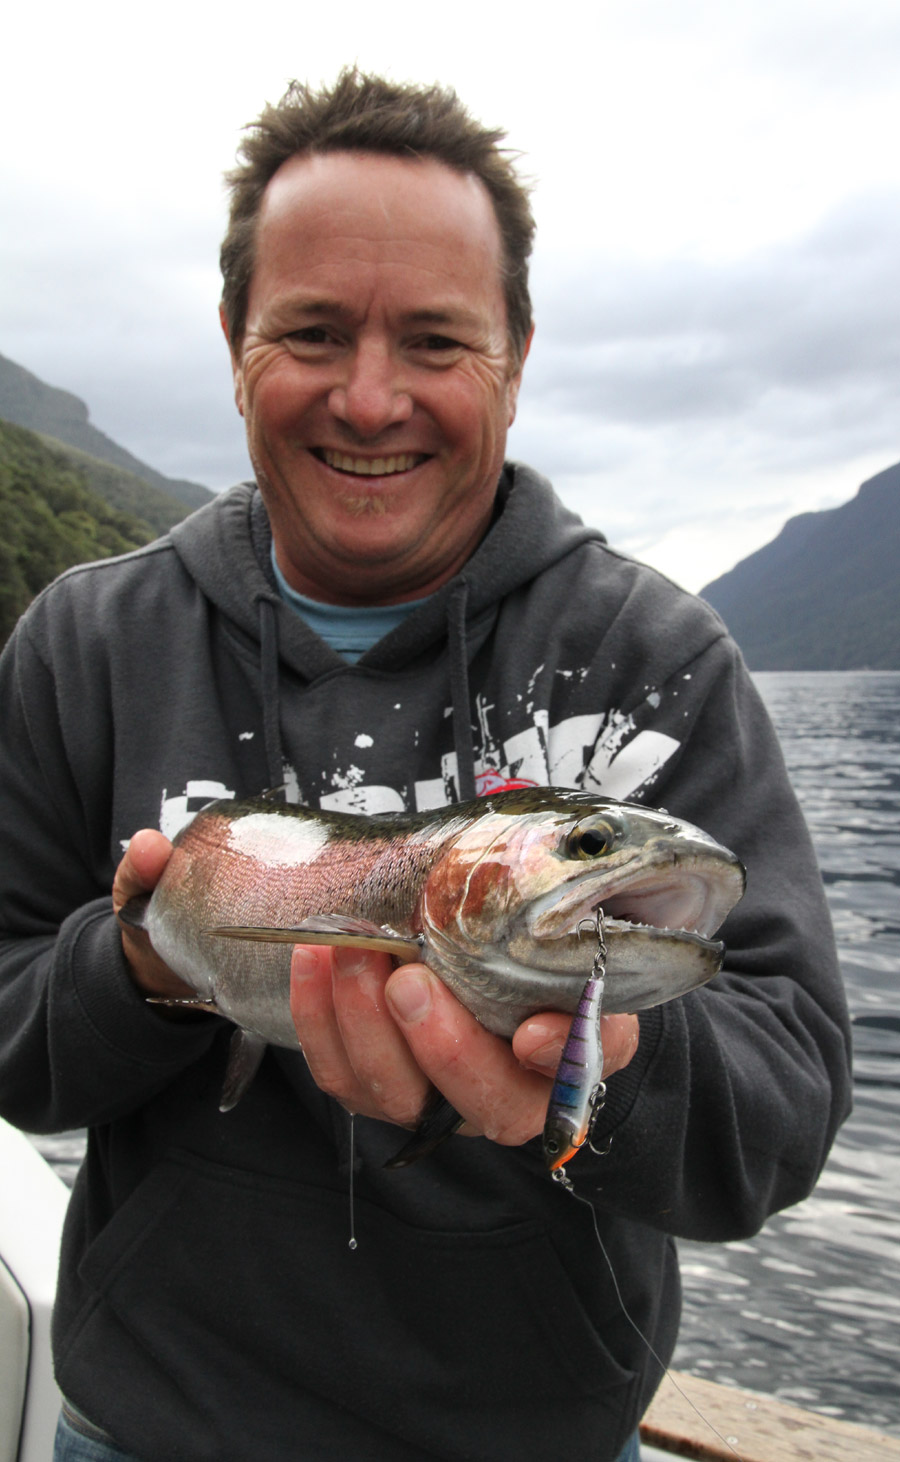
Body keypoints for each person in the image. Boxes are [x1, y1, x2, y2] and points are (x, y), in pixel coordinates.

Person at [0, 71, 851, 1462]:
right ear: (232, 342)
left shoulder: (659, 659)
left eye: (438, 341)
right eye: (315, 331)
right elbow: (8, 1026)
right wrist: (148, 964)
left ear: (516, 352)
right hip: (148, 1425)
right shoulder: (84, 645)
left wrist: (600, 1073)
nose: (373, 395)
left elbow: (788, 1094)